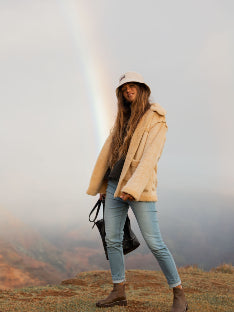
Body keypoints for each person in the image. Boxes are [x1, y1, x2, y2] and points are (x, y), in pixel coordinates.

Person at [86, 72, 188, 311]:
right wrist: (104, 186)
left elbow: (150, 157)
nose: (128, 90)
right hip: (113, 185)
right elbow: (111, 155)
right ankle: (118, 291)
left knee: (155, 242)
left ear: (142, 89)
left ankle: (179, 294)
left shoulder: (156, 118)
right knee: (112, 239)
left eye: (132, 86)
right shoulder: (122, 117)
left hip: (138, 188)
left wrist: (132, 188)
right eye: (124, 88)